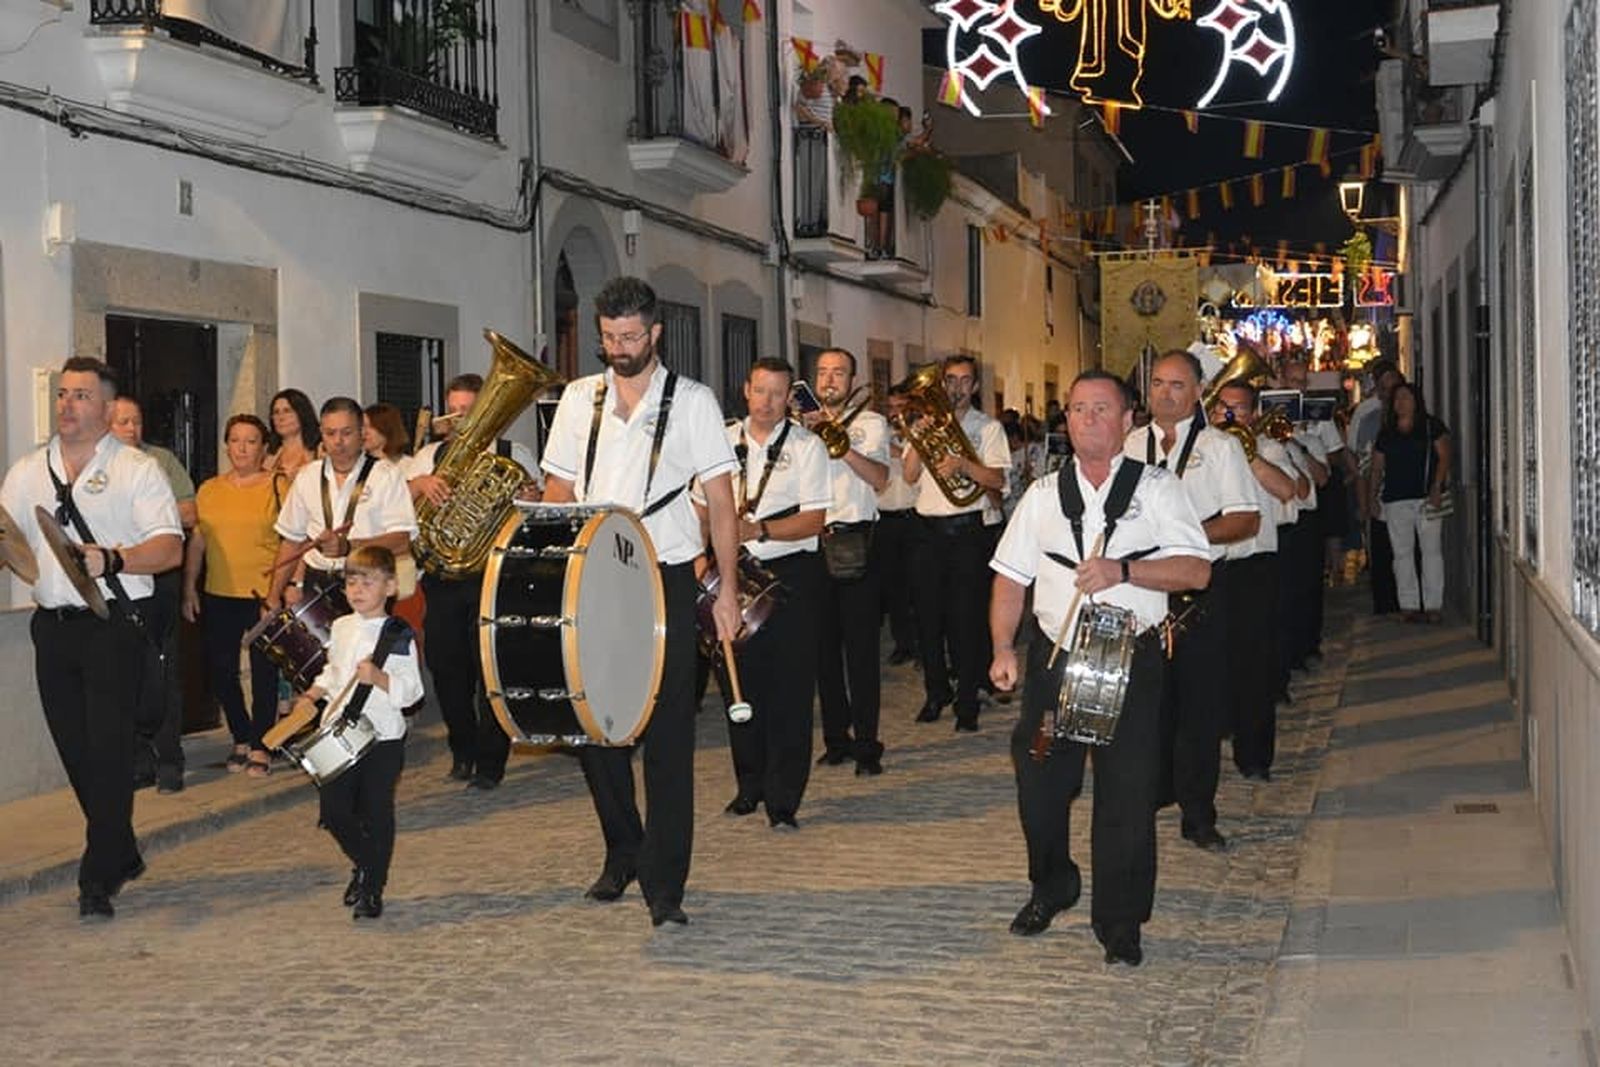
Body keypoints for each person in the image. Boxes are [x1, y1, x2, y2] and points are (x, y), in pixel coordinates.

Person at [539, 276, 741, 928]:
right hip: (594, 576)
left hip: (666, 574)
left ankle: (665, 881)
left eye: (630, 337)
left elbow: (722, 501)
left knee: (667, 733)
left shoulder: (695, 402)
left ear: (655, 333)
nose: (618, 349)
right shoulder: (578, 397)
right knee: (595, 726)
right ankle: (623, 847)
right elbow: (558, 487)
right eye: (607, 338)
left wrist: (729, 589)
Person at [990, 370, 1210, 966]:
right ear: (1066, 421)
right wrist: (1003, 649)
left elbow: (1196, 571)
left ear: (1128, 419)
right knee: (1039, 782)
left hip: (1130, 657)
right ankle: (1052, 883)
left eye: (1102, 409)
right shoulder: (1040, 496)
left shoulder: (1159, 490)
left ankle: (1120, 921)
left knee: (1127, 794)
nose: (1089, 419)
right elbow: (1011, 578)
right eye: (1079, 409)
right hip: (1054, 659)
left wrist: (1125, 572)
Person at [0, 356, 182, 920]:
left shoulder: (135, 469)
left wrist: (116, 557)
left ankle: (96, 878)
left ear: (106, 408)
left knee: (106, 750)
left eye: (80, 395)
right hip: (51, 628)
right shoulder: (29, 469)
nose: (67, 404)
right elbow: (9, 538)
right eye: (62, 394)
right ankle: (120, 848)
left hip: (111, 629)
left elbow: (169, 547)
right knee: (77, 753)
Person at [1123, 351, 1259, 851]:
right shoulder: (1129, 443)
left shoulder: (1221, 448)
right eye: (1157, 383)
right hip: (1141, 588)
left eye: (1177, 385)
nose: (1165, 393)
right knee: (1146, 700)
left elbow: (1246, 519)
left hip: (1200, 589)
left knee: (1200, 706)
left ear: (1198, 392)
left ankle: (1198, 813)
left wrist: (1183, 539)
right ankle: (1152, 792)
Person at [703, 358, 829, 825]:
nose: (768, 402)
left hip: (790, 574)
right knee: (739, 683)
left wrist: (759, 528)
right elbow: (701, 507)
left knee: (790, 691)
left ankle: (782, 799)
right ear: (745, 390)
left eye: (778, 394)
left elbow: (815, 519)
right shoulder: (721, 440)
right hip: (732, 574)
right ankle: (748, 784)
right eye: (760, 391)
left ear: (788, 398)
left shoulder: (808, 447)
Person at [405, 372, 540, 790]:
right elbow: (395, 503)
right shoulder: (428, 455)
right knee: (447, 670)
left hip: (492, 577)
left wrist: (532, 499)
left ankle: (490, 762)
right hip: (443, 578)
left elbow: (535, 509)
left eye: (471, 409)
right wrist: (419, 484)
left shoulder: (512, 452)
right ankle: (461, 748)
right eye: (456, 410)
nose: (463, 418)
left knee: (490, 673)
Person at [296, 545, 424, 919]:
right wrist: (314, 692)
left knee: (376, 811)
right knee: (334, 812)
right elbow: (333, 672)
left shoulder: (397, 632)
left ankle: (372, 888)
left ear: (389, 587)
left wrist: (380, 678)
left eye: (368, 582)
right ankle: (368, 864)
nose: (357, 590)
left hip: (382, 737)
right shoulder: (341, 626)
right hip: (339, 734)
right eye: (351, 581)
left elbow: (413, 691)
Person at [904, 355, 1009, 731]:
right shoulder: (924, 424)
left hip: (968, 531)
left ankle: (967, 701)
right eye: (950, 380)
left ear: (976, 387)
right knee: (928, 619)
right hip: (927, 531)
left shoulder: (989, 428)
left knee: (966, 620)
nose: (957, 387)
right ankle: (936, 692)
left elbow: (997, 481)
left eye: (965, 381)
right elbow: (909, 474)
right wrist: (919, 437)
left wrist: (963, 465)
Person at [800, 349, 890, 776]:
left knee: (861, 652)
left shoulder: (871, 424)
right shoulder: (796, 426)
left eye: (838, 373)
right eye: (822, 373)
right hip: (810, 543)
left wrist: (838, 441)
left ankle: (868, 744)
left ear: (853, 380)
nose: (829, 380)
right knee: (820, 650)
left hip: (856, 542)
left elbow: (880, 479)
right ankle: (836, 739)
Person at [182, 415, 283, 777]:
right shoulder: (209, 489)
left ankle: (262, 745)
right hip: (218, 593)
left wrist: (280, 592)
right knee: (221, 670)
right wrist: (189, 586)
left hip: (262, 594)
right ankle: (240, 735)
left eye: (251, 441)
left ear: (264, 448)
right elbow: (198, 540)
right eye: (235, 440)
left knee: (263, 674)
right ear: (226, 446)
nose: (242, 448)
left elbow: (291, 540)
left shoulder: (278, 485)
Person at [1210, 381, 1301, 781]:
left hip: (1253, 566)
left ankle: (1255, 756)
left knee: (1255, 665)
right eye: (1222, 409)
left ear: (1251, 413)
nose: (1229, 417)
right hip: (1209, 567)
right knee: (1211, 663)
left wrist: (1245, 455)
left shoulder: (1267, 450)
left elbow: (1292, 490)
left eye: (1238, 410)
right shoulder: (1198, 452)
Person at [109, 395, 197, 794]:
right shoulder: (98, 466)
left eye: (137, 421)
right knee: (123, 673)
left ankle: (170, 761)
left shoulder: (160, 461)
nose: (132, 429)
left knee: (162, 671)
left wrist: (149, 515)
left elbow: (190, 513)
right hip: (116, 584)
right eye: (123, 422)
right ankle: (137, 761)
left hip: (158, 576)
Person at [266, 397, 417, 614]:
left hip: (369, 582)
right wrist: (272, 597)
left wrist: (348, 547)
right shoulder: (307, 475)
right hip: (317, 583)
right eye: (330, 433)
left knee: (363, 647)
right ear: (321, 433)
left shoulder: (386, 475)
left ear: (361, 433)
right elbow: (291, 541)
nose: (338, 441)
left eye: (346, 433)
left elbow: (401, 541)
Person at [1370, 382, 1451, 623]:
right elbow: (1376, 467)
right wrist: (1372, 496)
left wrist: (1437, 486)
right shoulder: (1387, 432)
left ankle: (1433, 604)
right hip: (1396, 499)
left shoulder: (1430, 426)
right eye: (1397, 399)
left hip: (1426, 497)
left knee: (1431, 552)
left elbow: (1445, 456)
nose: (1401, 403)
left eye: (1405, 398)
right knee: (1402, 553)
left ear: (1416, 401)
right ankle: (1409, 604)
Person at [1351, 362, 1404, 614]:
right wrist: (1364, 504)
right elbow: (1361, 465)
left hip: (1406, 497)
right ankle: (1385, 603)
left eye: (1393, 387)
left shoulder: (1413, 417)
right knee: (1382, 554)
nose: (1388, 393)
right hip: (1380, 498)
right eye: (1384, 388)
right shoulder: (1368, 417)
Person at [874, 384, 918, 666]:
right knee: (894, 587)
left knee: (919, 587)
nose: (895, 413)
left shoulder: (921, 435)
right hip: (886, 519)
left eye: (901, 408)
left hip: (915, 517)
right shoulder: (879, 436)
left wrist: (901, 449)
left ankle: (926, 644)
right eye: (891, 408)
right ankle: (903, 643)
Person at [266, 388, 320, 480]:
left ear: (302, 413)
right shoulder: (268, 454)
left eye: (287, 411)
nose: (281, 418)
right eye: (276, 412)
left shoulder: (320, 451)